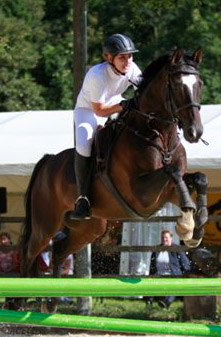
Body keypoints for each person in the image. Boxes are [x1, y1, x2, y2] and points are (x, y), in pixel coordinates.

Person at [71, 33, 142, 220]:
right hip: (88, 111)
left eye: (130, 56)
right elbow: (100, 110)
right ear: (109, 58)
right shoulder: (97, 75)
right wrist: (124, 105)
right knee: (85, 142)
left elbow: (144, 92)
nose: (127, 61)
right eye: (122, 57)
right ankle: (83, 198)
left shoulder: (132, 69)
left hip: (115, 103)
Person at [146, 230, 190, 308]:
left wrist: (186, 274)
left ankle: (166, 303)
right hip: (159, 274)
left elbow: (185, 262)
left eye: (166, 237)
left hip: (172, 274)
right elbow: (152, 264)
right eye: (162, 238)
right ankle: (149, 302)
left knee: (175, 286)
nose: (164, 239)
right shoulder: (157, 249)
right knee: (151, 283)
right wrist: (150, 275)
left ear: (171, 238)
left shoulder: (176, 248)